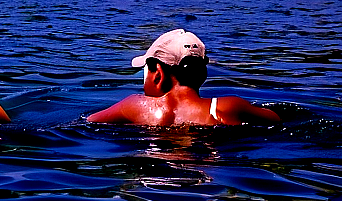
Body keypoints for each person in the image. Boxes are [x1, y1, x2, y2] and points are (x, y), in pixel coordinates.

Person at [87, 28, 280, 127]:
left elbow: (89, 122)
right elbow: (276, 120)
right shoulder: (228, 108)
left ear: (158, 74)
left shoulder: (133, 107)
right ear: (202, 73)